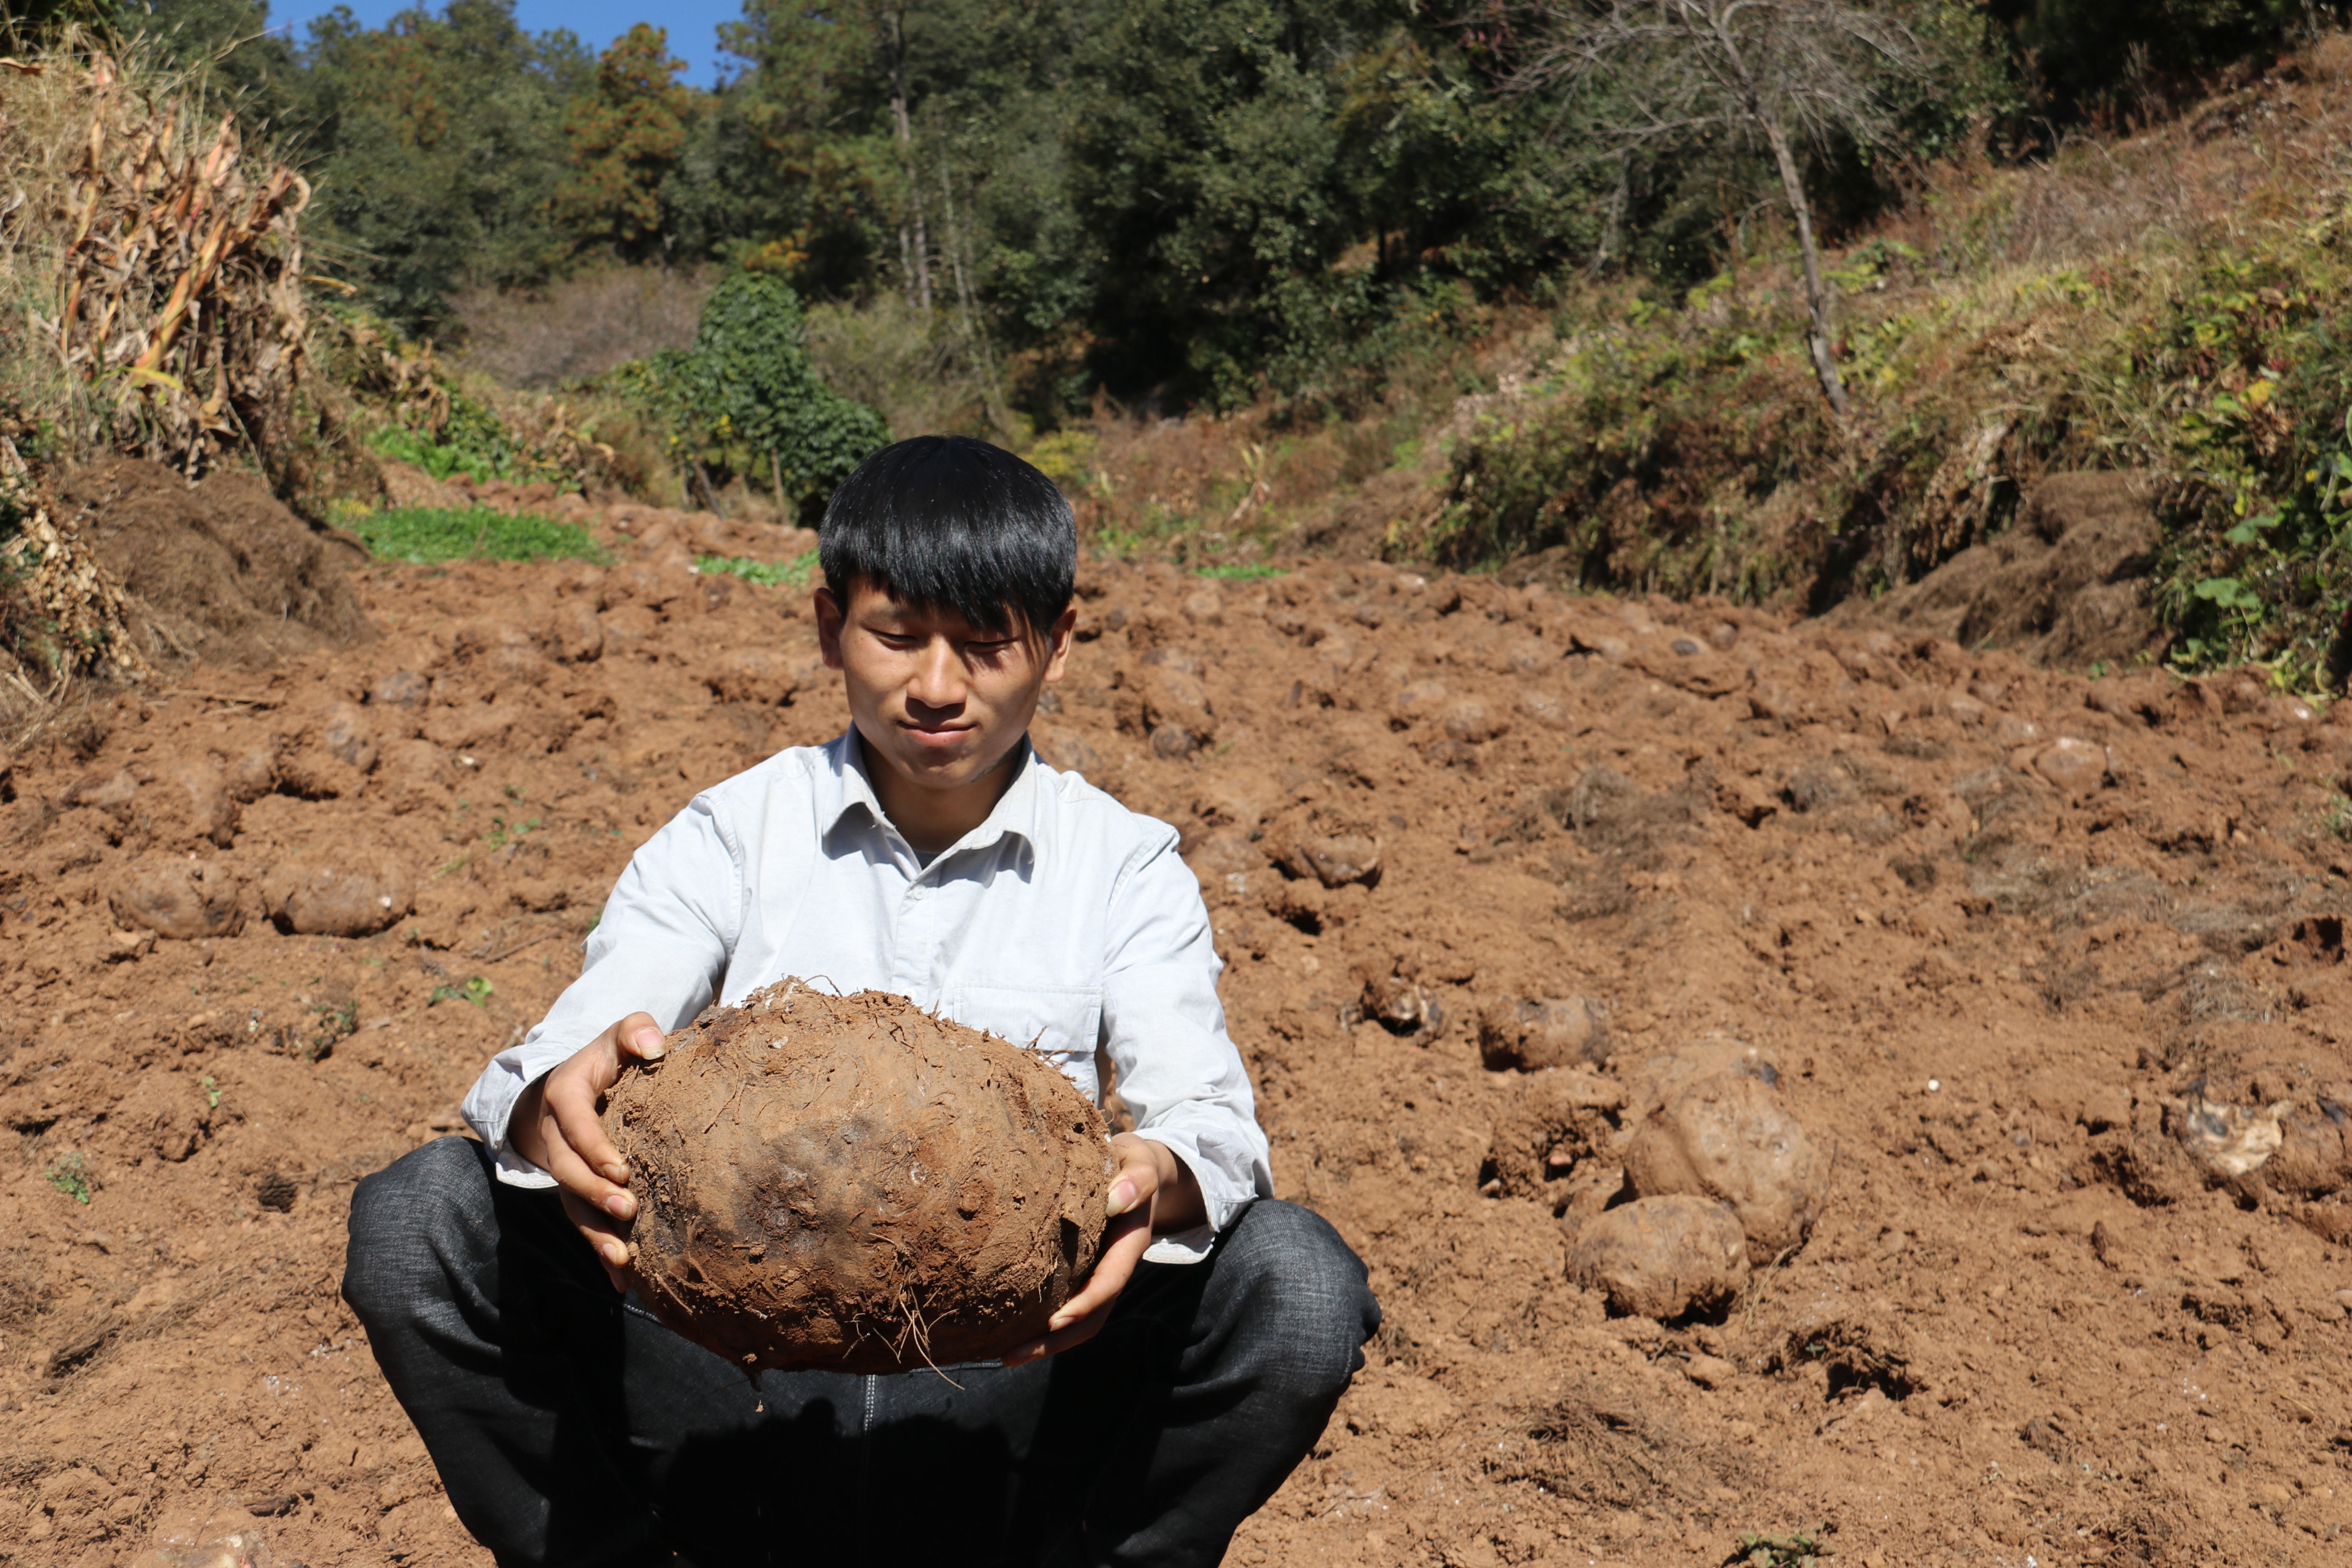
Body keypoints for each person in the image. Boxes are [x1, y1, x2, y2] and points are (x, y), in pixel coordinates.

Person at [341, 435, 1381, 1568]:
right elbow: (592, 1025)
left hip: (1013, 1377)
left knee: (1301, 1287)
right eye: (896, 637)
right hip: (726, 1370)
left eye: (987, 645)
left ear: (1062, 642)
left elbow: (1211, 1128)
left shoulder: (1124, 865)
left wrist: (1147, 1180)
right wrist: (557, 1103)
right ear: (831, 624)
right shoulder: (735, 833)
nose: (939, 686)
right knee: (418, 1220)